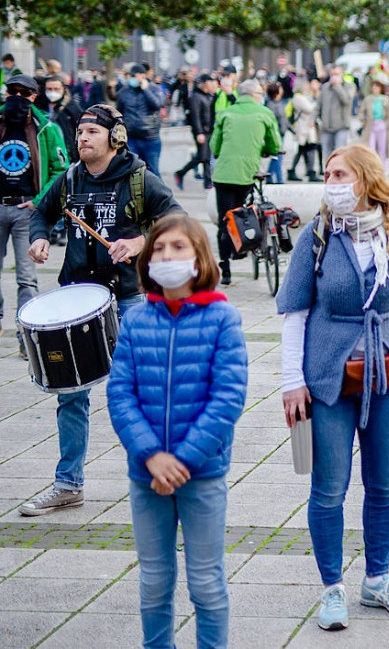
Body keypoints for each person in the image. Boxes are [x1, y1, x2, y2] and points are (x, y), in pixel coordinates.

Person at [278, 144, 389, 632]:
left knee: (385, 484)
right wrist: (291, 382)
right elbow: (295, 315)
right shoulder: (318, 234)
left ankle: (378, 579)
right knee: (328, 488)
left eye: (339, 173)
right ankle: (332, 588)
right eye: (327, 174)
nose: (331, 182)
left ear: (366, 178)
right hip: (327, 375)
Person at [22, 104, 181, 516]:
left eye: (91, 131)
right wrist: (39, 239)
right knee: (70, 394)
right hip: (75, 297)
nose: (82, 139)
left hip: (125, 298)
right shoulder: (71, 178)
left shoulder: (138, 179)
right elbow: (41, 212)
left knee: (146, 390)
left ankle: (163, 478)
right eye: (79, 132)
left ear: (115, 138)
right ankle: (68, 483)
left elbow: (176, 220)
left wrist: (138, 243)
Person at [107, 212, 247, 648]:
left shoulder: (223, 319)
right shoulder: (135, 319)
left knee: (205, 582)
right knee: (153, 581)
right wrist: (151, 454)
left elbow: (227, 397)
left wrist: (182, 459)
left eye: (178, 247)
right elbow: (120, 393)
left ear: (199, 257)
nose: (167, 254)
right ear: (147, 260)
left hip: (199, 473)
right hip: (145, 473)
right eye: (160, 248)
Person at [0, 74, 69, 352]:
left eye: (24, 93)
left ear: (33, 97)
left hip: (26, 209)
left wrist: (39, 201)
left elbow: (61, 169)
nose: (17, 98)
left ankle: (25, 339)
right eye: (12, 92)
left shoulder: (46, 128)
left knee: (26, 278)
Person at [209, 79, 282, 285]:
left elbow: (215, 146)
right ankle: (248, 244)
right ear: (254, 95)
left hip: (223, 174)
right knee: (246, 212)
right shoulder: (265, 113)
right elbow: (275, 143)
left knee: (225, 219)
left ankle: (226, 268)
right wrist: (267, 150)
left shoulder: (225, 113)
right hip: (248, 174)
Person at [115, 65, 165, 175]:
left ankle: (157, 192)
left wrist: (145, 89)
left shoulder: (154, 89)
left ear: (143, 76)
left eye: (134, 76)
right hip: (132, 138)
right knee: (132, 171)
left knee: (153, 171)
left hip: (150, 138)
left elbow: (157, 104)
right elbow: (119, 112)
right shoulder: (124, 92)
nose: (131, 78)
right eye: (130, 76)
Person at [175, 74, 218, 190]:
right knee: (202, 156)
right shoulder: (195, 97)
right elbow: (195, 116)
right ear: (204, 83)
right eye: (210, 82)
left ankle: (208, 182)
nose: (212, 85)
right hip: (201, 131)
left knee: (207, 157)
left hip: (209, 130)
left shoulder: (210, 96)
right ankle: (181, 172)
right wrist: (199, 132)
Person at [40, 74, 83, 164]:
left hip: (67, 153)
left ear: (63, 89)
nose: (52, 92)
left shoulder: (71, 107)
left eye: (56, 89)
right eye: (49, 89)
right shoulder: (40, 106)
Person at [288, 79, 322, 182]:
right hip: (304, 127)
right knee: (306, 149)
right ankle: (306, 171)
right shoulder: (299, 98)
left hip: (306, 127)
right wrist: (318, 103)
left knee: (304, 150)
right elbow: (310, 109)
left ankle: (308, 170)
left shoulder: (302, 97)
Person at [319, 66, 356, 157]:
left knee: (340, 153)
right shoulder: (325, 87)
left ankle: (339, 171)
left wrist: (338, 87)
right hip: (327, 127)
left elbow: (347, 100)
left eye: (336, 74)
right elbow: (319, 105)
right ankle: (328, 171)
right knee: (327, 154)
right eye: (332, 74)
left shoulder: (349, 86)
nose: (334, 77)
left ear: (342, 74)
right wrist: (312, 119)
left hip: (341, 126)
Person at [359, 78, 389, 165]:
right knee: (371, 147)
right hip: (371, 124)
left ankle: (382, 168)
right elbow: (361, 111)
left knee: (382, 148)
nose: (374, 88)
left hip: (382, 124)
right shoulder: (368, 99)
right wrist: (362, 120)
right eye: (373, 86)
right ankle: (372, 166)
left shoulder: (385, 99)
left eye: (377, 86)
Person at [266, 82, 292, 184]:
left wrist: (291, 130)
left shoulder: (279, 102)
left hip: (281, 133)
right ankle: (278, 178)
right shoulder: (271, 105)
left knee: (277, 157)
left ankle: (272, 176)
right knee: (277, 157)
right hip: (276, 134)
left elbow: (284, 119)